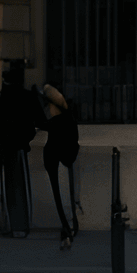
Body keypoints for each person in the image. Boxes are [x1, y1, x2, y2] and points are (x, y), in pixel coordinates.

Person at [0, 59, 41, 237]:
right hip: (18, 145)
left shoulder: (6, 95)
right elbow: (35, 121)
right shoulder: (26, 95)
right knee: (19, 187)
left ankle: (15, 226)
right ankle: (19, 226)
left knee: (11, 187)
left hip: (7, 146)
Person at [39, 83, 81, 250]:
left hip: (56, 160)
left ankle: (67, 229)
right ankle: (69, 228)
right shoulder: (68, 119)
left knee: (60, 196)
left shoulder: (56, 121)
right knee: (66, 196)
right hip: (65, 159)